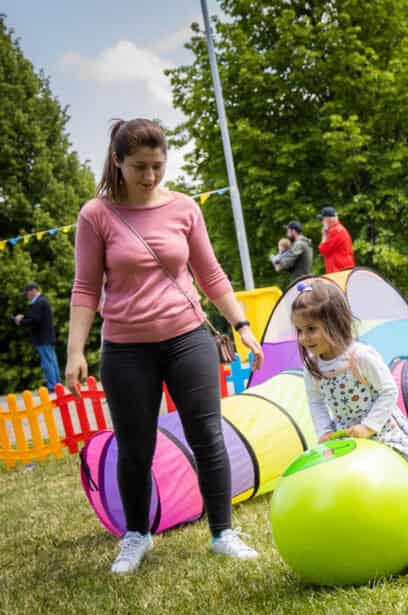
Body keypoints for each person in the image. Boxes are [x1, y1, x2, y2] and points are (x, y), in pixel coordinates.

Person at [68, 118, 265, 575]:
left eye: (158, 166)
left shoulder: (182, 208)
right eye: (139, 167)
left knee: (207, 434)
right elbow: (84, 287)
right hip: (126, 348)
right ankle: (137, 536)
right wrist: (76, 351)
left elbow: (211, 273)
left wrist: (240, 324)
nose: (150, 177)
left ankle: (223, 533)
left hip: (187, 336)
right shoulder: (96, 215)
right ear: (118, 162)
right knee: (135, 447)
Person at [291, 279, 408, 557]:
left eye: (311, 329)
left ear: (335, 323)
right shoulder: (313, 367)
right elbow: (316, 402)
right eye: (299, 330)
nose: (304, 338)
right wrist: (324, 433)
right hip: (346, 434)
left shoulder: (361, 356)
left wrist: (370, 426)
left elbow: (388, 390)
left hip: (384, 428)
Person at [13, 282, 59, 391]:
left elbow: (35, 320)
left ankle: (52, 387)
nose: (26, 296)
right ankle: (58, 386)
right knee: (52, 361)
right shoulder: (43, 301)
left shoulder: (38, 302)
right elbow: (36, 317)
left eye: (27, 293)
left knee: (47, 363)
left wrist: (20, 322)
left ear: (33, 291)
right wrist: (24, 317)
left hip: (42, 338)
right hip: (47, 337)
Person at [318, 206, 354, 273]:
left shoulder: (335, 231)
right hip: (343, 269)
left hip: (338, 270)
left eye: (322, 219)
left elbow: (322, 250)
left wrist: (324, 234)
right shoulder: (340, 229)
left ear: (327, 219)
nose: (321, 222)